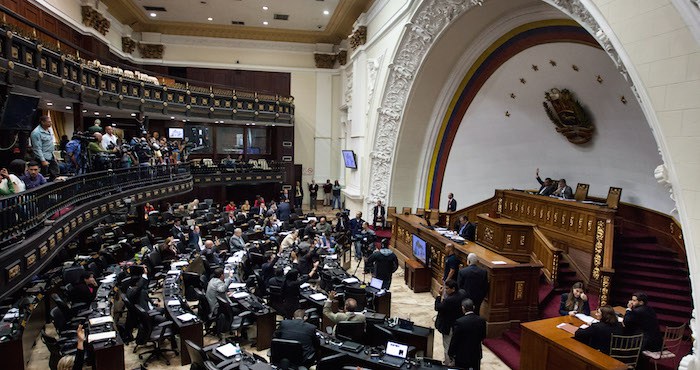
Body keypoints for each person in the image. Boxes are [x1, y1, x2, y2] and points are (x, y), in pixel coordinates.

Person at [448, 298, 486, 370]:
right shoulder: (481, 320)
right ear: (473, 307)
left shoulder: (459, 322)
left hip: (462, 355)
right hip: (476, 353)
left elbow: (455, 340)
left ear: (463, 308)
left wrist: (451, 353)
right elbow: (483, 336)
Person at [435, 279, 465, 366]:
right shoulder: (462, 293)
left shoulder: (449, 300)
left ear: (453, 289)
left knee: (447, 345)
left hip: (448, 326)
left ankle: (448, 363)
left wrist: (439, 296)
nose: (445, 290)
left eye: (447, 288)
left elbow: (438, 307)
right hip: (458, 324)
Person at [30, 115, 59, 180]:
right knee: (42, 176)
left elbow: (49, 144)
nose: (50, 123)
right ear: (43, 122)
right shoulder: (36, 133)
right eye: (49, 122)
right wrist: (43, 160)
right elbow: (37, 148)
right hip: (42, 158)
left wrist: (54, 156)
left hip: (50, 156)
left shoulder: (49, 130)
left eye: (51, 122)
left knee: (55, 173)